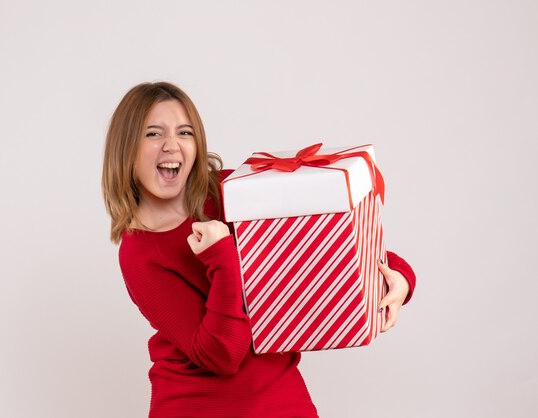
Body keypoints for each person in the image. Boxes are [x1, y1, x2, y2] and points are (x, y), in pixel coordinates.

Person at [101, 81, 416, 418]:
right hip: (197, 407)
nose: (171, 145)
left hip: (280, 396)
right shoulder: (139, 254)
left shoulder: (233, 193)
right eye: (153, 134)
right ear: (126, 149)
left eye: (184, 132)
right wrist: (220, 258)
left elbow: (320, 246)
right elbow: (222, 355)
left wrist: (399, 276)